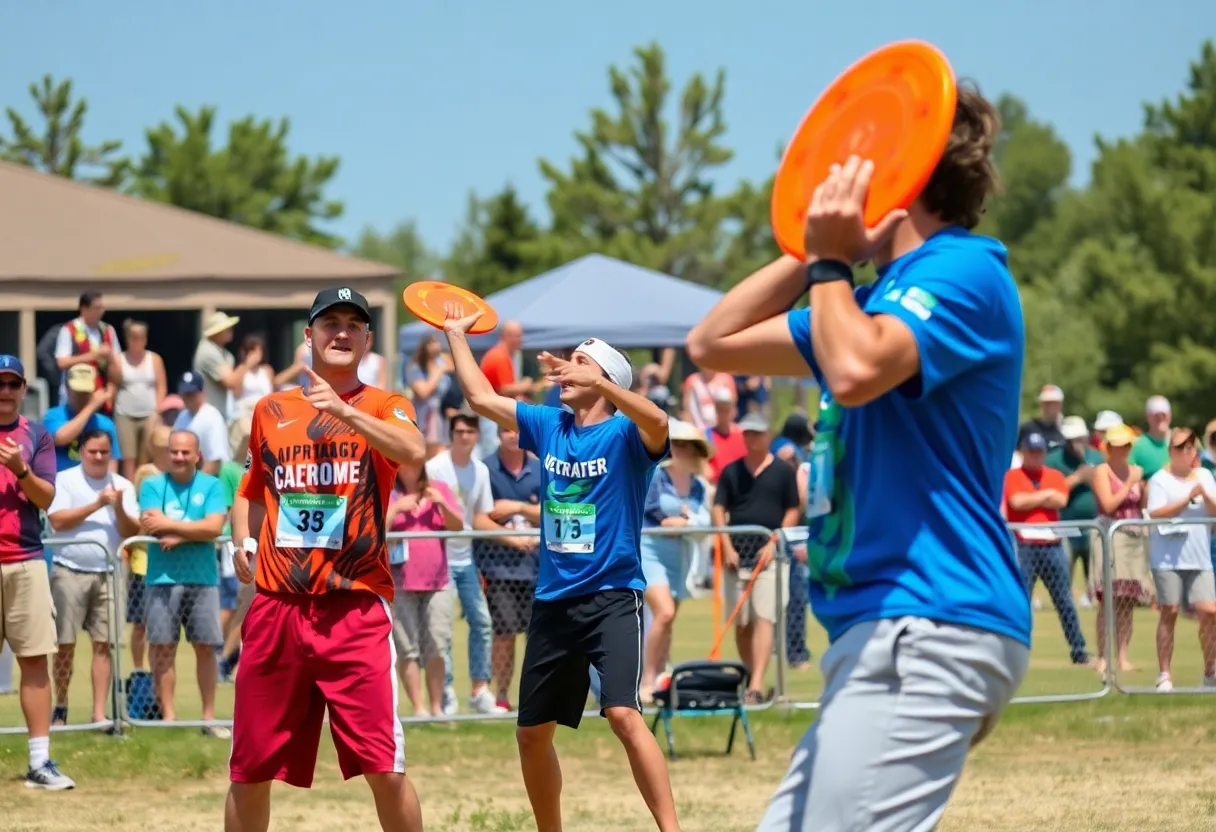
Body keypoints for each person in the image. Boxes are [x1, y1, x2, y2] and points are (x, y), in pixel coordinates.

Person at [686, 85, 1031, 831]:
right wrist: (810, 251)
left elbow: (853, 370)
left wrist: (833, 265)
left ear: (903, 174)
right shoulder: (864, 296)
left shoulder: (964, 271)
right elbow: (710, 343)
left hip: (930, 619)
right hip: (883, 627)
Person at [444, 312, 679, 832]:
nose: (566, 369)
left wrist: (602, 384)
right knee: (531, 733)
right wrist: (457, 337)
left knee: (622, 714)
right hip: (553, 601)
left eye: (580, 362)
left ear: (607, 382)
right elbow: (482, 400)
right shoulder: (550, 425)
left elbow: (660, 424)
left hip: (613, 597)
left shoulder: (625, 434)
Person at [225, 286, 426, 832]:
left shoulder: (388, 404)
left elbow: (413, 453)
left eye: (353, 324)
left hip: (353, 608)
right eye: (329, 322)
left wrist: (343, 410)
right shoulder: (270, 409)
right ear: (308, 336)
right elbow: (250, 491)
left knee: (384, 766)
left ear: (367, 339)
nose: (341, 332)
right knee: (248, 767)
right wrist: (241, 540)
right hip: (276, 608)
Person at [0, 355, 75, 789]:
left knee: (33, 661)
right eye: (0, 382)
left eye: (13, 383)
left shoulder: (37, 436)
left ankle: (39, 763)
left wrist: (20, 469)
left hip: (25, 559)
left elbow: (46, 498)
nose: (6, 390)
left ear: (24, 389)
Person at [46, 429, 140, 726]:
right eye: (92, 452)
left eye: (104, 452)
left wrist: (118, 507)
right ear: (81, 451)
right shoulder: (65, 480)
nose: (98, 457)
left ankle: (99, 713)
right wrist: (97, 504)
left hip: (109, 574)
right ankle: (61, 705)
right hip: (68, 571)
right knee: (64, 643)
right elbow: (57, 521)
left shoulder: (123, 485)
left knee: (105, 644)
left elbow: (130, 531)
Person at [138, 430, 228, 729]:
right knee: (163, 647)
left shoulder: (212, 485)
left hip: (202, 578)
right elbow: (151, 524)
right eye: (174, 451)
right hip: (160, 579)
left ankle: (208, 717)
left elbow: (214, 526)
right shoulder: (151, 485)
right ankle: (169, 717)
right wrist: (190, 529)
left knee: (206, 647)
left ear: (197, 455)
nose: (178, 457)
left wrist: (173, 529)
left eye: (185, 452)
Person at [713, 412, 802, 702]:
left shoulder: (783, 472)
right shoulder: (731, 471)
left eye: (758, 433)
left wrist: (774, 539)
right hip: (736, 556)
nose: (752, 438)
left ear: (768, 436)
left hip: (770, 556)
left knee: (765, 617)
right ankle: (755, 681)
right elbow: (718, 507)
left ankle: (756, 686)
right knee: (741, 623)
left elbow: (793, 508)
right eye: (748, 433)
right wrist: (725, 545)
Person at [426, 413, 501, 715]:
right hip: (438, 557)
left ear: (477, 435)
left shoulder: (480, 471)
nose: (465, 437)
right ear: (451, 434)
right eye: (459, 431)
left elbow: (482, 515)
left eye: (470, 431)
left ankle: (479, 690)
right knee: (441, 631)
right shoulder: (434, 468)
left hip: (466, 557)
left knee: (482, 621)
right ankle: (445, 693)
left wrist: (510, 536)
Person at [638, 419, 712, 703]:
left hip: (678, 555)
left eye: (686, 445)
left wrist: (684, 521)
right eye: (676, 444)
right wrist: (674, 522)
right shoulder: (656, 474)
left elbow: (702, 519)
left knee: (667, 620)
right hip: (650, 549)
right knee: (664, 612)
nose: (679, 450)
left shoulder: (698, 486)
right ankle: (646, 680)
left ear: (696, 451)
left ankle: (660, 677)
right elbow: (652, 510)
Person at [1003, 433, 1089, 665]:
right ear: (1023, 452)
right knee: (1022, 600)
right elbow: (1016, 502)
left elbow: (1060, 500)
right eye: (1031, 451)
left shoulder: (1054, 475)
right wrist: (1045, 496)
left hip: (1052, 545)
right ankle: (1016, 650)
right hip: (1024, 545)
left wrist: (1034, 498)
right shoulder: (1013, 475)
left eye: (1039, 451)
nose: (1036, 455)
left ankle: (1079, 650)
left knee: (1064, 601)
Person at [476, 422, 544, 711]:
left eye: (517, 430)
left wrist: (517, 508)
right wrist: (514, 540)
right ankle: (501, 696)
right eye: (505, 430)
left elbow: (555, 511)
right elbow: (477, 517)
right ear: (497, 435)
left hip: (539, 568)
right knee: (503, 633)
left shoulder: (543, 468)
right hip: (499, 568)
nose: (512, 435)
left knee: (539, 637)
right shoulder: (485, 469)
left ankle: (536, 696)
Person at [1144, 427, 1216, 691]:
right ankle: (1164, 674)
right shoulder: (1160, 480)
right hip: (1167, 557)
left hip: (1199, 556)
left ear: (1194, 451)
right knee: (1169, 612)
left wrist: (1205, 495)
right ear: (1171, 452)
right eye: (1178, 448)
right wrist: (1187, 498)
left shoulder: (1205, 476)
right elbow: (1156, 513)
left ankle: (1210, 671)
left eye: (1188, 447)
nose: (1183, 452)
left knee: (1210, 612)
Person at [387, 465, 462, 716]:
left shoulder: (439, 489)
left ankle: (437, 708)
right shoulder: (388, 490)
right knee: (407, 647)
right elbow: (374, 531)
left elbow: (458, 525)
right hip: (400, 582)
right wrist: (396, 508)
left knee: (437, 646)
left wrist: (441, 503)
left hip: (437, 582)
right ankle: (419, 709)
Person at [112, 319, 166, 480]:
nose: (137, 341)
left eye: (140, 337)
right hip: (124, 413)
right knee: (129, 456)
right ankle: (130, 490)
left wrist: (157, 411)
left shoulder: (154, 359)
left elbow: (161, 386)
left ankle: (143, 488)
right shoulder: (118, 359)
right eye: (133, 337)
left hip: (150, 413)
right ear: (127, 339)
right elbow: (113, 386)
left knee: (147, 455)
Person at [42, 365, 120, 473]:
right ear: (67, 388)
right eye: (77, 391)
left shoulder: (105, 424)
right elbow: (60, 438)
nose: (81, 396)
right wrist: (91, 407)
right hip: (60, 484)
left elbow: (112, 464)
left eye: (85, 392)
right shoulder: (53, 416)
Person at [53, 292, 119, 409]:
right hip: (74, 396)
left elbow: (118, 363)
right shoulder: (69, 329)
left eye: (102, 307)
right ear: (84, 309)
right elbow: (62, 362)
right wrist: (94, 355)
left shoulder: (108, 330)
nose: (101, 311)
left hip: (101, 395)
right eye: (97, 308)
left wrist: (111, 390)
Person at [172, 371, 231, 475]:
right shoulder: (182, 416)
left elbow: (216, 461)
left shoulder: (212, 417)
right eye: (185, 394)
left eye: (191, 393)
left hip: (215, 478)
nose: (187, 397)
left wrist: (198, 485)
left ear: (201, 392)